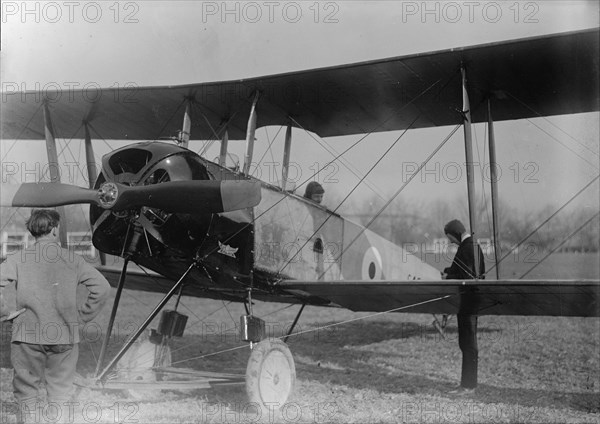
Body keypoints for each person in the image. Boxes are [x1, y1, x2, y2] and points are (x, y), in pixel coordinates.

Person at [0, 209, 111, 423]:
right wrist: (82, 317)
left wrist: (5, 313)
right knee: (61, 393)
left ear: (34, 231)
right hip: (64, 335)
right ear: (55, 229)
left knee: (26, 391)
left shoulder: (19, 258)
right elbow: (102, 288)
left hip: (26, 334)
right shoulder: (73, 259)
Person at [442, 219, 485, 393]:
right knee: (466, 343)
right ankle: (467, 384)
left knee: (468, 344)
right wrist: (448, 272)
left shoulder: (468, 247)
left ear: (456, 234)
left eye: (450, 237)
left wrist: (448, 277)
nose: (450, 241)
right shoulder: (470, 245)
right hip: (469, 300)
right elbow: (461, 269)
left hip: (469, 300)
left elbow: (466, 275)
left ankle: (468, 386)